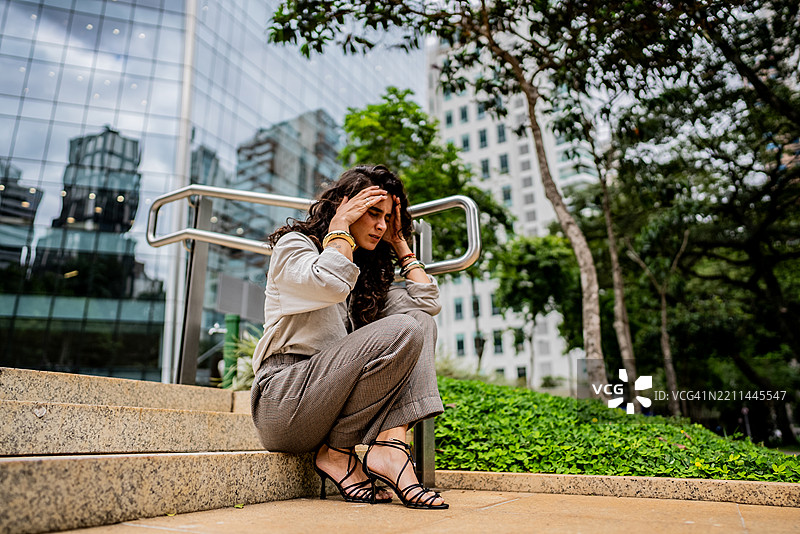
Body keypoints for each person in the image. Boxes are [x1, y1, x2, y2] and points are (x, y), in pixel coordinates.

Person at [250, 164, 448, 510]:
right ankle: (365, 452)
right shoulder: (295, 247)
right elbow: (329, 283)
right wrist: (340, 226)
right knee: (405, 328)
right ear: (345, 204)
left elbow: (427, 304)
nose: (381, 225)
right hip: (283, 400)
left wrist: (400, 243)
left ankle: (380, 447)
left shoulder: (365, 278)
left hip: (331, 406)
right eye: (373, 213)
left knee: (418, 322)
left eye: (388, 218)